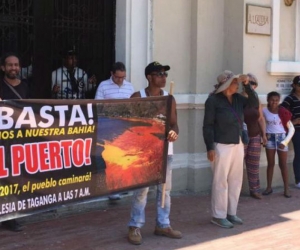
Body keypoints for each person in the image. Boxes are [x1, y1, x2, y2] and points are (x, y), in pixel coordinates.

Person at [127, 61, 182, 245]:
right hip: (144, 152)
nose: (164, 77)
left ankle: (163, 224)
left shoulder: (169, 98)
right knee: (142, 191)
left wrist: (174, 132)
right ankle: (135, 226)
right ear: (149, 77)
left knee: (165, 191)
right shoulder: (137, 97)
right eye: (159, 74)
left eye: (165, 74)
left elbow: (174, 123)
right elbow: (128, 124)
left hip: (165, 151)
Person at [203, 70, 259, 229]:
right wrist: (209, 147)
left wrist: (247, 85)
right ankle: (218, 215)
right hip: (221, 145)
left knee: (236, 180)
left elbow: (254, 103)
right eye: (235, 82)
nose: (237, 85)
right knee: (220, 182)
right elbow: (208, 126)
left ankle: (231, 212)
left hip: (238, 143)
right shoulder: (213, 101)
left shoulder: (238, 99)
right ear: (226, 84)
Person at [94, 62, 134, 200]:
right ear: (112, 74)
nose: (120, 80)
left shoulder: (129, 86)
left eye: (123, 77)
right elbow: (97, 105)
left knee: (122, 158)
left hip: (124, 127)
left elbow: (133, 105)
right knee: (109, 158)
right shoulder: (103, 86)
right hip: (108, 127)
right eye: (118, 77)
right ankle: (111, 189)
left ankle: (122, 185)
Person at [0, 52, 29, 232]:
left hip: (19, 140)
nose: (13, 68)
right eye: (10, 65)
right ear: (3, 68)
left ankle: (10, 216)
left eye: (16, 65)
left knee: (14, 178)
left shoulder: (26, 87)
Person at [262, 91, 292, 198]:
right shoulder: (264, 110)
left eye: (276, 100)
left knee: (283, 164)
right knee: (270, 164)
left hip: (281, 138)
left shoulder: (283, 112)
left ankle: (286, 189)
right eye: (272, 100)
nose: (274, 102)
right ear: (268, 100)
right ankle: (269, 187)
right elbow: (261, 123)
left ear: (279, 101)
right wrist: (263, 136)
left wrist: (285, 142)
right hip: (270, 138)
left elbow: (291, 129)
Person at [241, 74, 267, 199]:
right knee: (237, 165)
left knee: (254, 163)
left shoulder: (257, 100)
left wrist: (264, 135)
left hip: (255, 134)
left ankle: (255, 189)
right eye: (248, 82)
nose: (251, 85)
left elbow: (261, 118)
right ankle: (235, 191)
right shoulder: (239, 98)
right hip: (241, 136)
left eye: (253, 83)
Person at [281, 76, 300, 188]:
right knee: (298, 154)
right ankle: (298, 180)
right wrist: (293, 121)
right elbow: (281, 113)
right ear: (294, 85)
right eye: (299, 85)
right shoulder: (290, 99)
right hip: (296, 131)